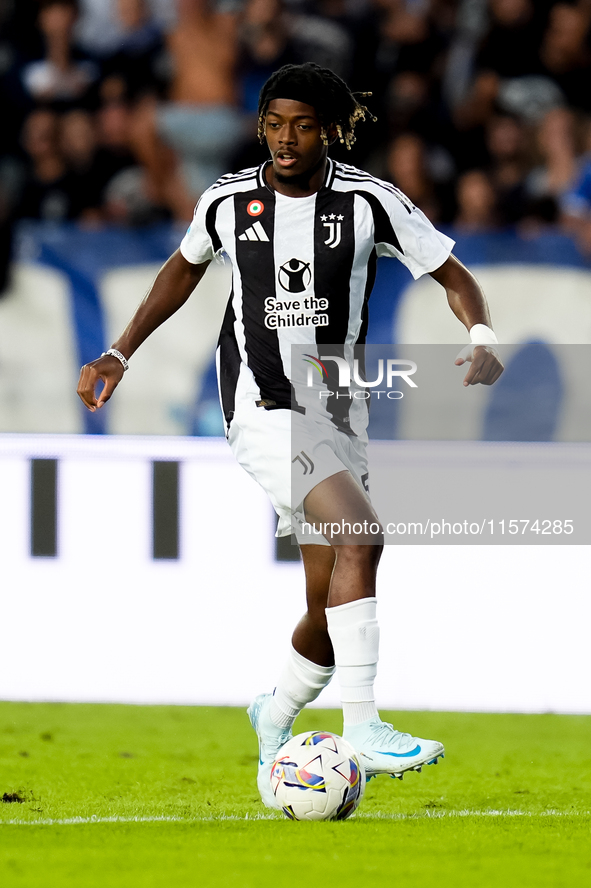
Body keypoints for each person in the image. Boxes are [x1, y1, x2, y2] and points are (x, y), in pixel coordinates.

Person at [77, 63, 504, 809]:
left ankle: (272, 713)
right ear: (260, 127)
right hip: (263, 404)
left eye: (302, 125)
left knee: (328, 607)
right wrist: (118, 352)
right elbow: (179, 274)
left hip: (339, 413)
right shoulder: (226, 200)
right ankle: (362, 726)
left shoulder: (370, 202)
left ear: (330, 129)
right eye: (274, 123)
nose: (284, 138)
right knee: (362, 539)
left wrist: (481, 329)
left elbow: (450, 272)